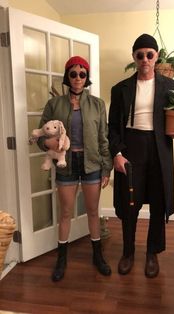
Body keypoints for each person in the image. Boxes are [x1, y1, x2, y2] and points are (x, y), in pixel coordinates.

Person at [108, 34, 174, 278]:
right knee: (129, 202)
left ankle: (152, 253)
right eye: (140, 54)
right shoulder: (120, 89)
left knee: (157, 201)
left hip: (159, 149)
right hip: (130, 146)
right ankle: (128, 252)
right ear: (134, 57)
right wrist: (116, 153)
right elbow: (113, 125)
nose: (145, 59)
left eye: (150, 54)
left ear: (156, 57)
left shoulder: (171, 87)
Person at [37, 56, 113, 281]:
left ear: (87, 78)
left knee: (92, 211)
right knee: (67, 212)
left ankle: (97, 256)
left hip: (91, 164)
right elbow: (41, 133)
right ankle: (62, 258)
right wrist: (46, 143)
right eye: (73, 74)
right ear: (67, 76)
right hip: (66, 164)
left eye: (82, 74)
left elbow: (103, 139)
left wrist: (106, 168)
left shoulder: (98, 104)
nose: (78, 78)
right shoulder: (54, 104)